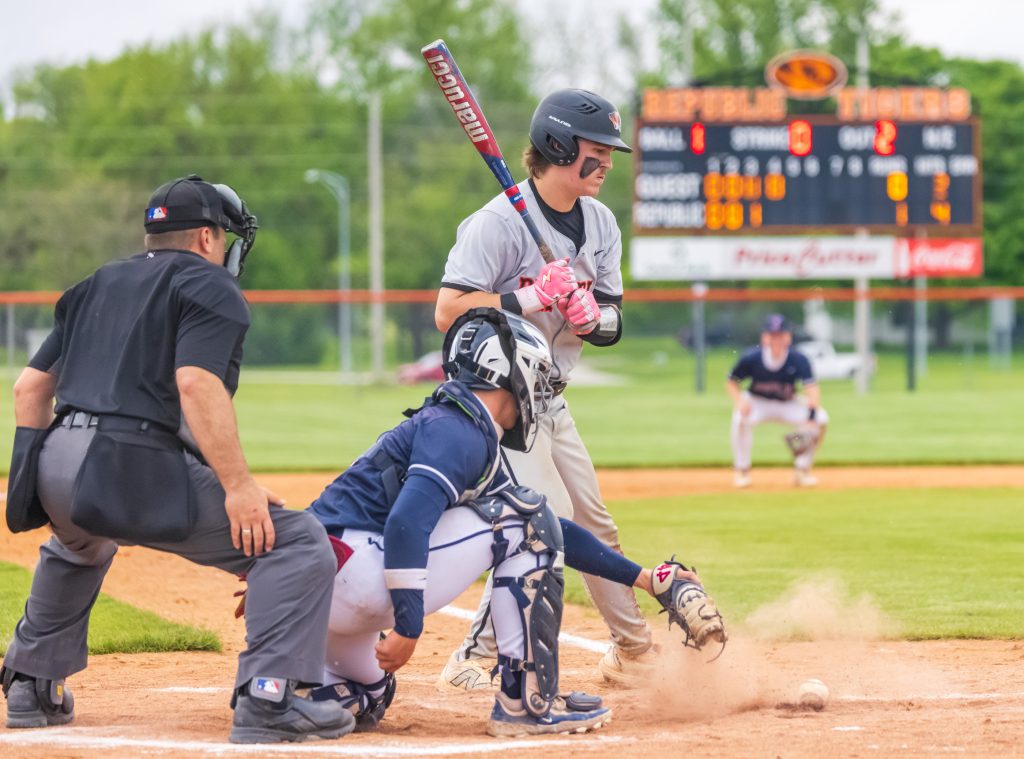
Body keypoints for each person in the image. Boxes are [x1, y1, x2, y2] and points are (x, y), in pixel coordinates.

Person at [1, 175, 353, 744]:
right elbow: (196, 383)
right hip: (126, 467)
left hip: (60, 461)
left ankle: (29, 685)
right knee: (296, 541)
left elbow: (30, 389)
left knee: (80, 540)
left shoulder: (96, 281)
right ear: (207, 238)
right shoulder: (211, 284)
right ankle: (269, 698)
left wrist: (34, 483)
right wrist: (238, 486)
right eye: (226, 238)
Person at [305, 308, 725, 736]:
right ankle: (526, 701)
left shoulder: (453, 423)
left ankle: (300, 696)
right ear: (505, 372)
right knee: (528, 521)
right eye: (536, 375)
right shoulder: (458, 430)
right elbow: (406, 524)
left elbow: (558, 532)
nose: (539, 390)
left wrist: (646, 579)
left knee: (370, 689)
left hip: (318, 594)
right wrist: (408, 627)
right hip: (357, 582)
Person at [434, 88, 657, 688]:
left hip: (551, 398)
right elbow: (448, 310)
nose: (608, 161)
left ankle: (633, 651)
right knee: (540, 519)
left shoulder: (601, 222)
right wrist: (528, 297)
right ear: (558, 145)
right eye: (596, 149)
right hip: (502, 403)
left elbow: (613, 318)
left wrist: (590, 318)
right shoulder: (496, 223)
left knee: (595, 523)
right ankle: (472, 657)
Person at [726, 314, 830, 488]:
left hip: (787, 403)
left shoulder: (798, 359)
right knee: (739, 419)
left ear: (788, 337)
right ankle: (742, 471)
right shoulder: (752, 357)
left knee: (821, 419)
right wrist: (739, 401)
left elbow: (811, 387)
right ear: (764, 337)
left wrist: (811, 416)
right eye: (772, 335)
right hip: (757, 402)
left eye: (780, 335)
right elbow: (731, 381)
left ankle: (802, 470)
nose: (776, 339)